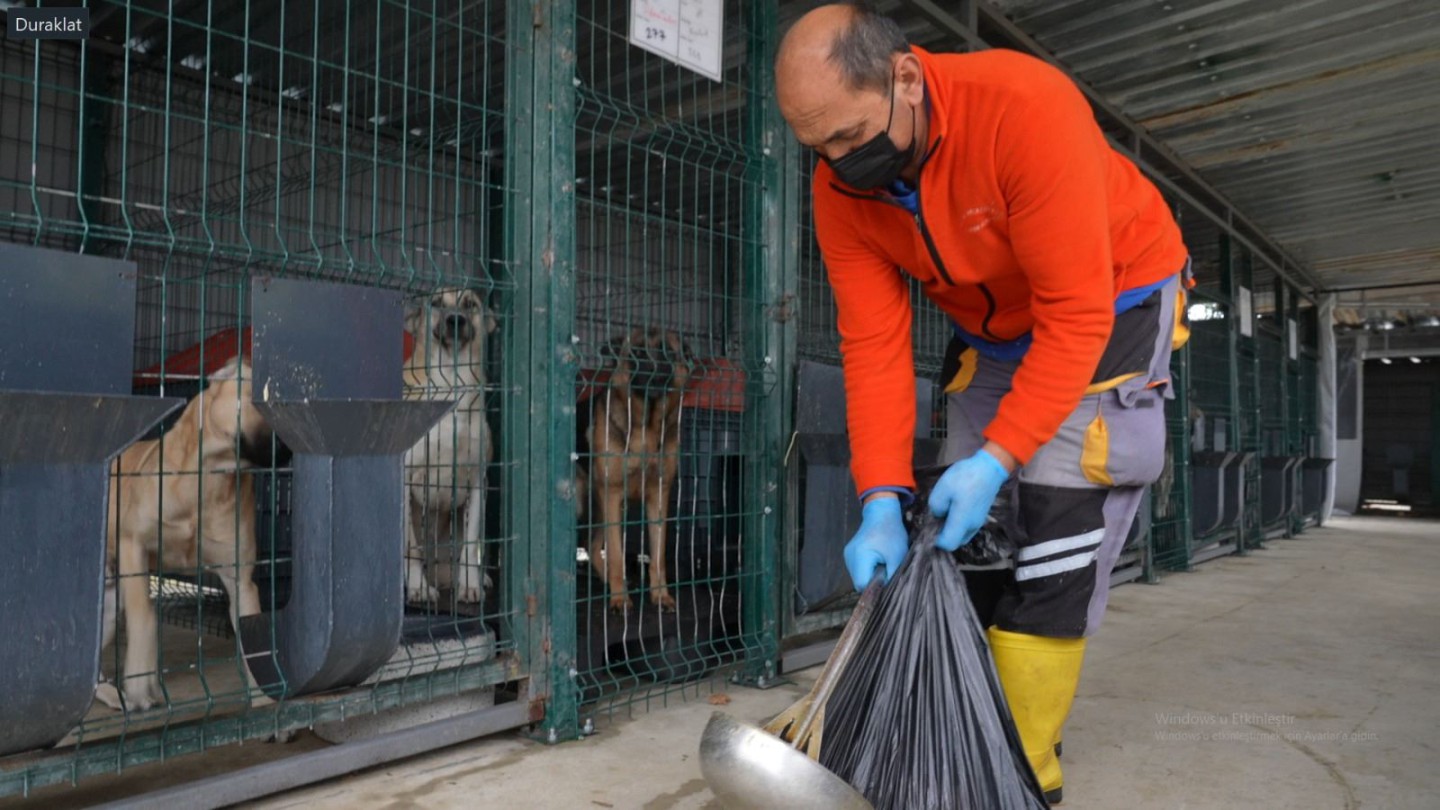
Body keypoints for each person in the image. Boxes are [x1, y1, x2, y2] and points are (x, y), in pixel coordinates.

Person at [775, 3, 1191, 805]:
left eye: (849, 137)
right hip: (994, 327)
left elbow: (1074, 315)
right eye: (814, 147)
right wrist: (879, 497)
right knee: (962, 537)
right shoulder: (841, 188)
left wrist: (1002, 456)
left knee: (1056, 525)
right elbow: (874, 347)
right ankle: (947, 732)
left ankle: (1016, 772)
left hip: (1111, 298)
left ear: (904, 76)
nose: (833, 162)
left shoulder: (1023, 108)